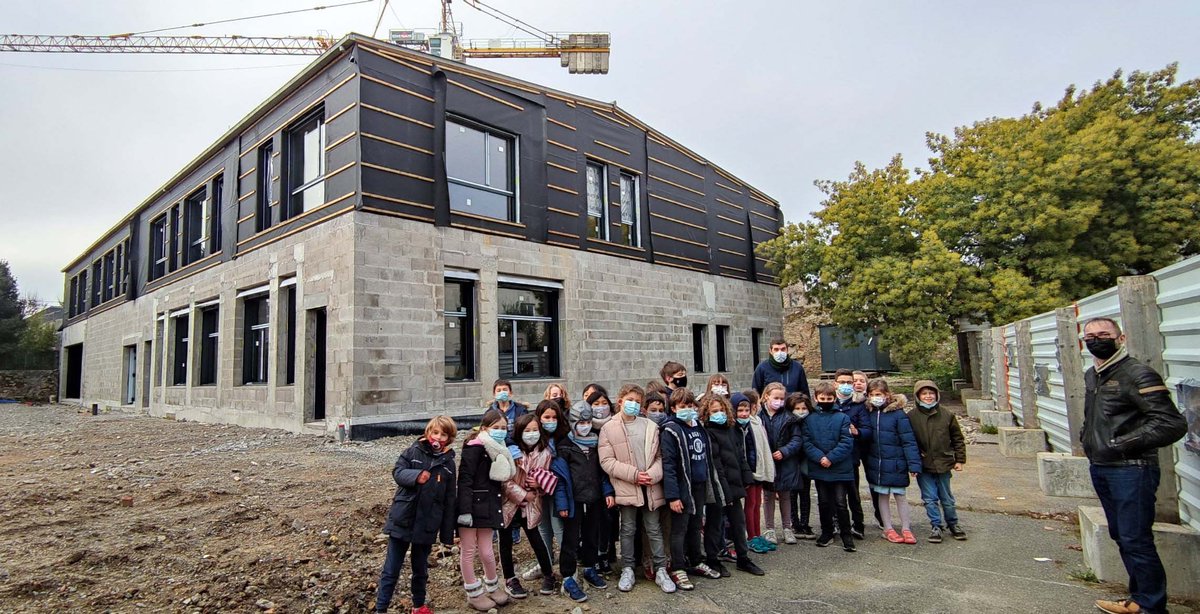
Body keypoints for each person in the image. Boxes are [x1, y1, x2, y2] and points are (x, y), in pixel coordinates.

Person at [1080, 317, 1187, 614]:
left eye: (1104, 334)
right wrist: (1088, 439)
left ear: (1121, 337)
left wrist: (1121, 444)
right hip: (1102, 466)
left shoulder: (1137, 373)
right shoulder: (1093, 375)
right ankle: (1138, 599)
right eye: (1090, 336)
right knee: (1122, 535)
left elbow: (1171, 423)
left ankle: (1151, 606)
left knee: (1135, 538)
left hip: (1132, 468)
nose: (1096, 340)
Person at [375, 416, 458, 614]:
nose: (438, 437)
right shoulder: (412, 452)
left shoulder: (448, 464)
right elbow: (397, 472)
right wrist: (416, 476)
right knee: (391, 569)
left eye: (443, 434)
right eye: (435, 432)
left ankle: (418, 605)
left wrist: (447, 535)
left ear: (449, 438)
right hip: (403, 519)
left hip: (427, 525)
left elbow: (449, 500)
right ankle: (381, 608)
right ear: (428, 433)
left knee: (420, 570)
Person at [598, 384, 676, 594]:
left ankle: (660, 569)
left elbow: (660, 457)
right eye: (629, 400)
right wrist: (633, 474)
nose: (633, 404)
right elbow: (607, 461)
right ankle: (628, 568)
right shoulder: (608, 428)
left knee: (654, 528)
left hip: (650, 487)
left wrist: (652, 474)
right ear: (620, 401)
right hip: (627, 487)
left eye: (637, 401)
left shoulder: (650, 426)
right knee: (628, 528)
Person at [661, 388, 723, 590]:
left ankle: (695, 560)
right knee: (679, 529)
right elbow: (669, 466)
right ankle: (678, 567)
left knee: (696, 525)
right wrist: (673, 496)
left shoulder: (699, 427)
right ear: (673, 408)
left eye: (690, 405)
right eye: (682, 406)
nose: (688, 409)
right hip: (682, 487)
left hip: (700, 485)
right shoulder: (670, 430)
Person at [552, 406, 615, 602]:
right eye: (581, 423)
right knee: (570, 539)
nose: (585, 427)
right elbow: (560, 479)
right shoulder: (565, 447)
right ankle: (568, 576)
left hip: (595, 499)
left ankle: (589, 567)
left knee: (592, 535)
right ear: (573, 424)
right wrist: (562, 504)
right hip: (574, 501)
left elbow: (603, 473)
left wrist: (607, 492)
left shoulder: (597, 444)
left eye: (588, 422)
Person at [457, 410, 517, 611]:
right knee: (468, 550)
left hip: (489, 506)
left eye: (503, 428)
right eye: (496, 427)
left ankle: (492, 586)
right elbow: (464, 479)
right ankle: (473, 593)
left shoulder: (499, 449)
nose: (500, 431)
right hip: (471, 507)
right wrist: (464, 510)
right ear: (484, 428)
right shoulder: (474, 448)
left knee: (487, 551)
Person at [702, 393, 765, 576]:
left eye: (722, 410)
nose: (719, 414)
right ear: (707, 413)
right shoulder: (708, 433)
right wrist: (724, 491)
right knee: (715, 524)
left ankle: (743, 558)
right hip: (719, 487)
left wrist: (746, 476)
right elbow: (716, 465)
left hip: (735, 484)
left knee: (738, 522)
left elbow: (740, 455)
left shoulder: (732, 429)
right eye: (714, 411)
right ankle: (712, 559)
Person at [499, 414, 557, 599]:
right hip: (509, 503)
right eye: (527, 430)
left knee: (536, 539)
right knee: (505, 541)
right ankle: (510, 578)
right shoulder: (510, 452)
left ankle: (548, 574)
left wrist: (539, 485)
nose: (532, 434)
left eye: (535, 430)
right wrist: (523, 494)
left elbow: (547, 477)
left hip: (531, 505)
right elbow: (504, 480)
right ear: (519, 432)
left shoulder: (545, 453)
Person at [862, 379, 921, 545]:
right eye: (872, 394)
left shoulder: (898, 414)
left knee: (900, 495)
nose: (875, 397)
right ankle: (887, 528)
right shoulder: (869, 413)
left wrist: (914, 464)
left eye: (878, 394)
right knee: (882, 496)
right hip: (877, 464)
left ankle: (906, 528)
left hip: (896, 463)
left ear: (887, 394)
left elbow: (908, 441)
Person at [909, 380, 966, 544]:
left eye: (931, 393)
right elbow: (909, 442)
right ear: (918, 396)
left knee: (947, 498)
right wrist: (913, 463)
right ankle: (936, 525)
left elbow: (957, 439)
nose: (928, 396)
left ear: (936, 395)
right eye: (924, 394)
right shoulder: (911, 416)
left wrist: (959, 459)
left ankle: (953, 523)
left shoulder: (947, 415)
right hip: (923, 465)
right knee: (929, 498)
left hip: (944, 463)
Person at [802, 382, 857, 552]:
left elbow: (846, 442)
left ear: (834, 398)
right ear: (816, 398)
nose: (825, 401)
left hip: (839, 467)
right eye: (822, 398)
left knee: (841, 502)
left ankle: (846, 534)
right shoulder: (809, 419)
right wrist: (820, 458)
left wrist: (831, 458)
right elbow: (807, 442)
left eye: (829, 398)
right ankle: (826, 532)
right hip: (820, 467)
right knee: (823, 502)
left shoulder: (842, 418)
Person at [758, 382, 802, 546]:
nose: (779, 401)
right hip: (767, 462)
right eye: (775, 398)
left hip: (785, 462)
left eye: (782, 398)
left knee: (785, 496)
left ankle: (787, 528)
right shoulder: (759, 416)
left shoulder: (789, 417)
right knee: (768, 496)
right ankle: (769, 529)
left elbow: (797, 439)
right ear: (766, 396)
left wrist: (784, 451)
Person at [833, 369, 872, 539]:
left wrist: (858, 432)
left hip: (851, 457)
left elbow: (867, 430)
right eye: (842, 382)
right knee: (834, 494)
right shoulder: (829, 402)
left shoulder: (859, 406)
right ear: (835, 384)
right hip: (832, 456)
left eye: (849, 382)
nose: (846, 385)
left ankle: (858, 524)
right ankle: (836, 522)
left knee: (853, 494)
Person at [735, 392, 775, 554]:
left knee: (757, 503)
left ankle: (757, 534)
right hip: (750, 472)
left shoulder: (756, 421)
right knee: (750, 504)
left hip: (758, 469)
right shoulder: (742, 426)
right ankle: (751, 536)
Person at [786, 392, 817, 540]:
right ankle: (795, 523)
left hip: (806, 461)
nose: (801, 411)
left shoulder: (811, 422)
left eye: (804, 408)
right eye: (797, 408)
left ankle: (805, 523)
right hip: (791, 461)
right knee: (792, 494)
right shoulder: (788, 422)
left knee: (805, 493)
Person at [487, 379, 528, 444]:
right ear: (494, 394)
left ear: (510, 393)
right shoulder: (489, 412)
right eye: (499, 390)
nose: (502, 392)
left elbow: (524, 429)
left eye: (505, 390)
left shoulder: (520, 410)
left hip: (516, 444)